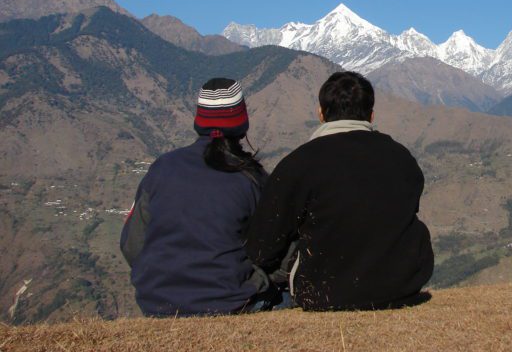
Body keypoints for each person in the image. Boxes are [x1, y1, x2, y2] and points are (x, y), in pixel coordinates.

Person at [246, 71, 434, 311]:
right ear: (371, 114)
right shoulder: (402, 158)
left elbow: (262, 247)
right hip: (402, 288)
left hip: (325, 293)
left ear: (321, 114)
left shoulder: (299, 163)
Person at [120, 78, 277, 316]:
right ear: (241, 123)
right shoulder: (251, 178)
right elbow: (272, 248)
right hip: (230, 301)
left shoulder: (162, 168)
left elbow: (132, 245)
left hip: (157, 303)